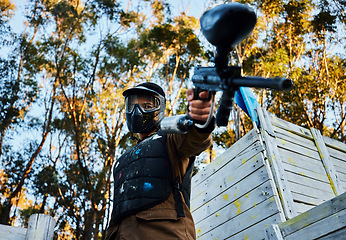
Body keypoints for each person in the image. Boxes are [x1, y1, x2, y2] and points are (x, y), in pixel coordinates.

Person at [105, 82, 214, 240]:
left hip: (164, 234)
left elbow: (194, 139)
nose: (137, 111)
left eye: (147, 105)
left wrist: (200, 120)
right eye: (132, 105)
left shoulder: (169, 137)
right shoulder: (122, 160)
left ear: (160, 106)